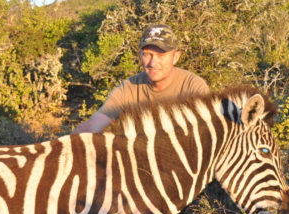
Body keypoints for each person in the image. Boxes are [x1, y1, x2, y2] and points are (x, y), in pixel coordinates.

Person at [72, 23, 210, 134]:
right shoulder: (129, 88)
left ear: (175, 57)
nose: (152, 63)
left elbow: (206, 133)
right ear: (140, 55)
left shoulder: (193, 86)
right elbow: (96, 122)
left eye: (161, 55)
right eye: (148, 54)